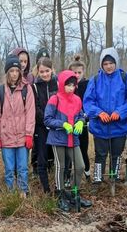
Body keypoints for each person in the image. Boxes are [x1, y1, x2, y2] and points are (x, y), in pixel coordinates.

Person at [83, 47, 127, 182]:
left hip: (119, 126)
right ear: (101, 64)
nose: (108, 66)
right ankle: (98, 179)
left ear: (116, 62)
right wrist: (99, 112)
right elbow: (88, 102)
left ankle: (114, 177)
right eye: (105, 64)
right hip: (100, 127)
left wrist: (120, 112)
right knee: (100, 154)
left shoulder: (125, 78)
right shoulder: (95, 80)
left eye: (111, 63)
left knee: (116, 155)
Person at [44, 70, 92, 211]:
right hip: (58, 138)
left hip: (73, 139)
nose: (71, 88)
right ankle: (60, 195)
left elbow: (81, 115)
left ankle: (73, 193)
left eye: (73, 85)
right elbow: (47, 119)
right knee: (61, 166)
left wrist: (80, 122)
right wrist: (62, 124)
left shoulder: (77, 100)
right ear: (61, 84)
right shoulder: (55, 99)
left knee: (80, 166)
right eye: (68, 85)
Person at [0, 55, 36, 197]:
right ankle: (10, 193)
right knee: (9, 168)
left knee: (23, 167)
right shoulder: (0, 91)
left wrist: (29, 134)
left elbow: (30, 113)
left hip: (23, 137)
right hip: (6, 137)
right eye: (11, 71)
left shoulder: (26, 89)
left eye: (17, 71)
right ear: (7, 72)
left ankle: (23, 191)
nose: (14, 74)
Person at [32, 56, 58, 193]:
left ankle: (60, 185)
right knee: (42, 157)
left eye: (47, 71)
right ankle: (46, 189)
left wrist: (56, 121)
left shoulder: (58, 84)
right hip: (41, 127)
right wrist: (46, 120)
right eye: (42, 72)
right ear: (38, 72)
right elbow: (35, 107)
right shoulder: (35, 87)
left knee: (58, 157)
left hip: (58, 126)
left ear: (52, 69)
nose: (45, 74)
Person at [68, 55, 91, 180]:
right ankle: (71, 174)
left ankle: (87, 173)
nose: (77, 75)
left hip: (83, 123)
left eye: (79, 72)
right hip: (69, 124)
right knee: (70, 151)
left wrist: (85, 118)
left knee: (83, 149)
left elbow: (89, 103)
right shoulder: (67, 87)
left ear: (83, 72)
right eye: (74, 73)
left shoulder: (87, 85)